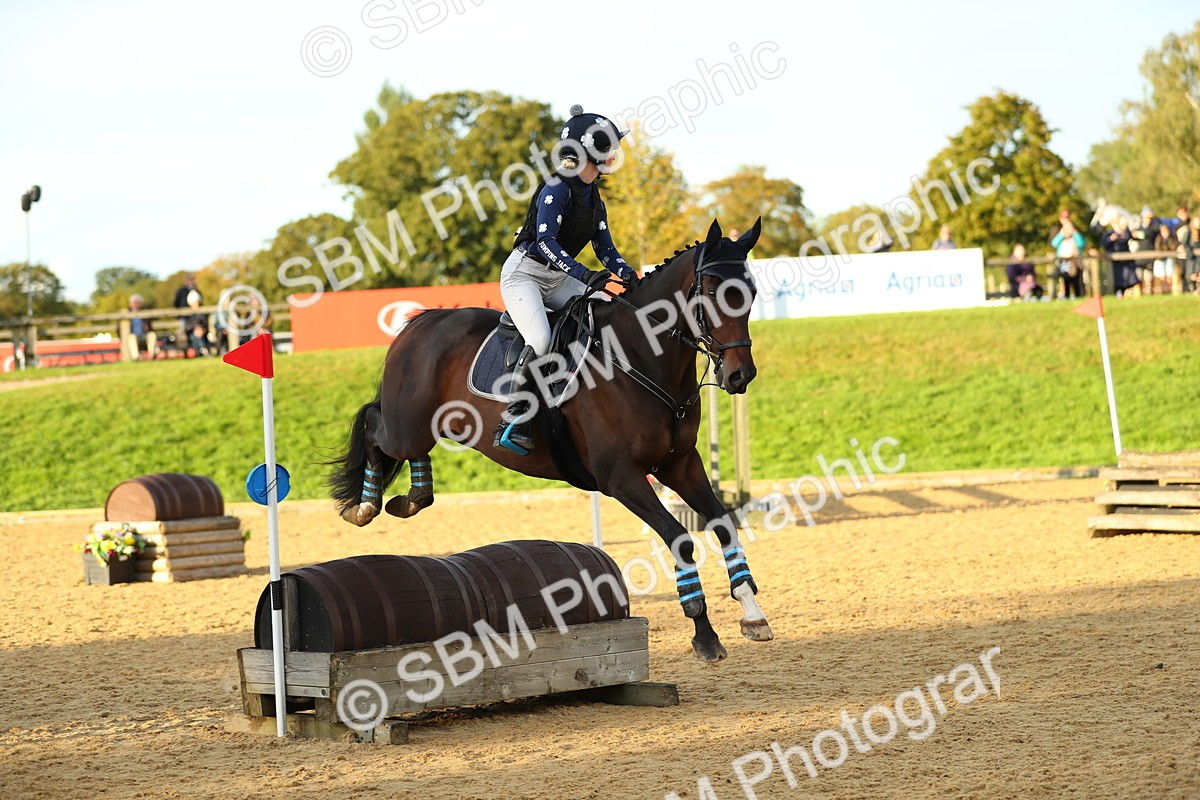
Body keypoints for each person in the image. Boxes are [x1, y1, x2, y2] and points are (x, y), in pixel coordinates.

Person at [493, 105, 638, 455]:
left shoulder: (593, 196)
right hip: (524, 274)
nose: (614, 155)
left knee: (607, 312)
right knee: (541, 337)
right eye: (609, 148)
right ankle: (515, 415)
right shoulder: (557, 188)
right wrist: (585, 275)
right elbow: (545, 243)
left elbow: (606, 249)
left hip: (559, 278)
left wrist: (629, 274)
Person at [1051, 213, 1086, 299]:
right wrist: (1062, 234)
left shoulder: (1075, 231)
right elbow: (1054, 243)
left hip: (1076, 262)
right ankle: (1065, 297)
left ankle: (1079, 297)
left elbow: (1081, 243)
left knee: (1077, 282)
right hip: (1063, 262)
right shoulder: (1057, 230)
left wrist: (1074, 232)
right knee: (1065, 281)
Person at [1101, 218, 1137, 296]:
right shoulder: (1108, 234)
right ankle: (1118, 292)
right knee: (1117, 278)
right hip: (1114, 262)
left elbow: (1129, 237)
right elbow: (1103, 244)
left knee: (1127, 277)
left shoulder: (1125, 232)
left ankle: (1126, 292)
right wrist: (1110, 239)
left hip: (1125, 260)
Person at [122, 294, 156, 361]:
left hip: (144, 335)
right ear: (130, 304)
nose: (136, 304)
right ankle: (137, 357)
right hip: (133, 336)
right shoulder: (126, 313)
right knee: (132, 337)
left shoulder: (145, 313)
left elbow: (150, 327)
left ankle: (151, 355)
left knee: (152, 335)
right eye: (134, 302)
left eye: (137, 302)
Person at [1153, 223, 1179, 293]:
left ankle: (1168, 289)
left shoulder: (1172, 238)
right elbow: (1158, 249)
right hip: (1161, 259)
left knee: (1169, 275)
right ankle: (1163, 290)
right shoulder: (1158, 238)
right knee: (1161, 276)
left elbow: (1173, 247)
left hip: (1169, 259)